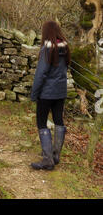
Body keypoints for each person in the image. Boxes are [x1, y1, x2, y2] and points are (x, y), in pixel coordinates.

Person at [30, 21, 70, 170]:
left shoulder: (47, 49)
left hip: (46, 92)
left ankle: (47, 160)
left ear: (46, 32)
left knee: (41, 122)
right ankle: (55, 155)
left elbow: (41, 74)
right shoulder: (65, 47)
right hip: (61, 91)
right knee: (58, 120)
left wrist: (34, 94)